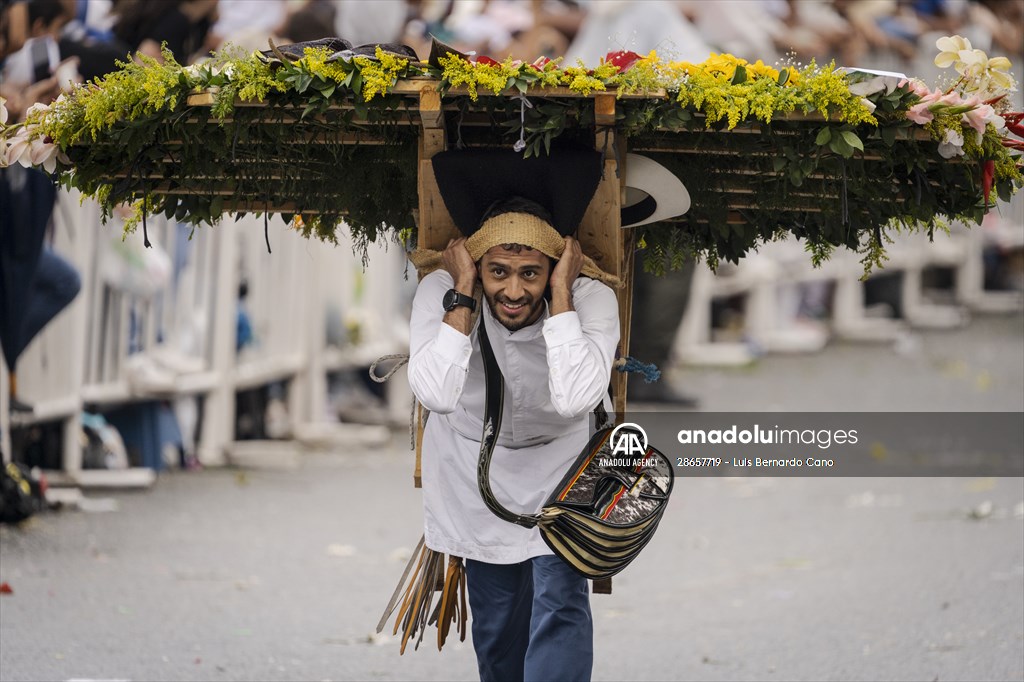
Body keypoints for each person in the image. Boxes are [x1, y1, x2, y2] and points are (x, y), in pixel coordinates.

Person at [406, 146, 620, 682]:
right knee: (498, 625)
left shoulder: (591, 299)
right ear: (477, 266)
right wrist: (462, 295)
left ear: (553, 268)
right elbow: (433, 393)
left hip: (567, 471)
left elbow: (576, 398)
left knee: (560, 601)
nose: (514, 289)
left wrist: (562, 296)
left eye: (531, 273)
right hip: (475, 473)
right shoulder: (441, 292)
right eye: (498, 271)